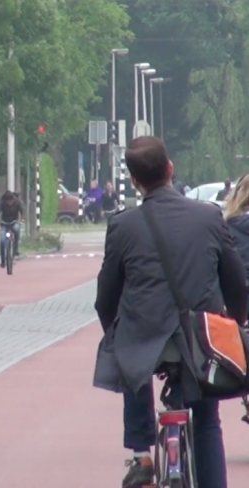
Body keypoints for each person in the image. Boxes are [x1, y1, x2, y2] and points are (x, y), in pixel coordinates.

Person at [93, 136, 248, 488]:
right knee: (206, 419)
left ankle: (142, 454)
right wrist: (234, 324)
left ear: (134, 180)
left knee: (131, 358)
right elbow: (237, 284)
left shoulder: (123, 225)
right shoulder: (208, 216)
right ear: (170, 168)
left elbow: (106, 298)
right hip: (201, 339)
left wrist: (114, 333)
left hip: (145, 338)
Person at [0, 191, 23, 267]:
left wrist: (23, 218)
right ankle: (3, 260)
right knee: (2, 241)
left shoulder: (17, 202)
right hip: (4, 224)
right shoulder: (2, 204)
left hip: (14, 222)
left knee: (16, 229)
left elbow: (22, 210)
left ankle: (15, 250)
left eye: (11, 201)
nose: (9, 203)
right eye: (8, 201)